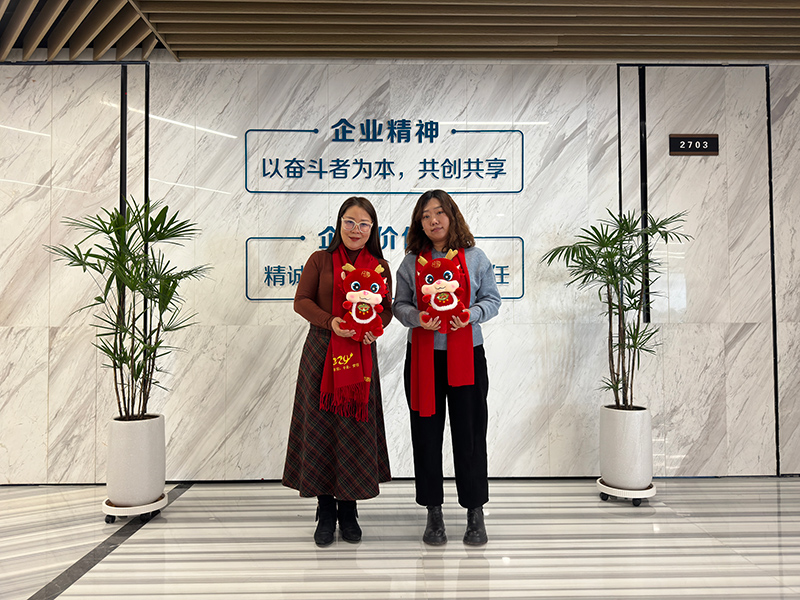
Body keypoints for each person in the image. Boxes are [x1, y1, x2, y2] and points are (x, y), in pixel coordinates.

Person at [283, 196, 393, 547]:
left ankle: (349, 510)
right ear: (339, 223)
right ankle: (326, 510)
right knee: (322, 427)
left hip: (361, 354)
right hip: (321, 352)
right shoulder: (320, 260)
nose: (355, 229)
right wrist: (331, 321)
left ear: (372, 229)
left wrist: (377, 328)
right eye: (349, 222)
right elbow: (302, 301)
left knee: (354, 428)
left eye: (363, 224)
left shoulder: (380, 266)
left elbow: (386, 309)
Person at [393, 189, 501, 546]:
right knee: (426, 434)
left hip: (467, 353)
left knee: (470, 434)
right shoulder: (411, 263)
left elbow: (492, 299)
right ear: (419, 224)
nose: (433, 220)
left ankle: (475, 511)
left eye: (439, 212)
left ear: (452, 216)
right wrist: (416, 318)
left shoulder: (475, 257)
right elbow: (399, 305)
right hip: (424, 357)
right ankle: (433, 511)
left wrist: (471, 315)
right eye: (425, 216)